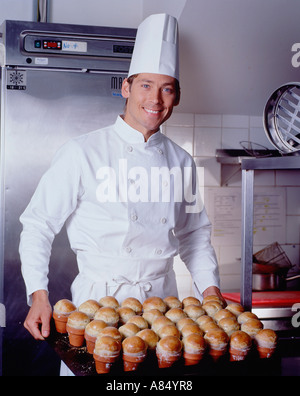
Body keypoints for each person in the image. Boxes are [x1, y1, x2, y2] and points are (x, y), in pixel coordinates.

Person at [20, 14, 225, 347]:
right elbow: (38, 224)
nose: (155, 100)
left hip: (164, 312)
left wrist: (211, 292)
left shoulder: (181, 162)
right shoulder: (82, 152)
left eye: (166, 89)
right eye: (145, 85)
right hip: (96, 306)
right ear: (126, 87)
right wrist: (38, 294)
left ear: (177, 96)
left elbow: (194, 236)